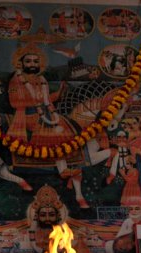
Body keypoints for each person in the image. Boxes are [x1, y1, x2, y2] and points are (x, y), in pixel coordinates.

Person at [8, 44, 88, 208]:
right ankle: (62, 170)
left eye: (35, 61)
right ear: (22, 64)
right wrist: (37, 103)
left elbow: (46, 100)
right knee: (52, 131)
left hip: (45, 112)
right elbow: (15, 102)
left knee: (66, 125)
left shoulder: (41, 79)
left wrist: (58, 93)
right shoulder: (17, 79)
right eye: (28, 61)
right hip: (27, 115)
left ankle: (72, 164)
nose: (32, 64)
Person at [27, 184, 68, 253]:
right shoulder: (35, 231)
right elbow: (34, 240)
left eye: (52, 215)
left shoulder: (61, 231)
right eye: (43, 215)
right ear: (37, 216)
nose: (47, 218)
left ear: (57, 216)